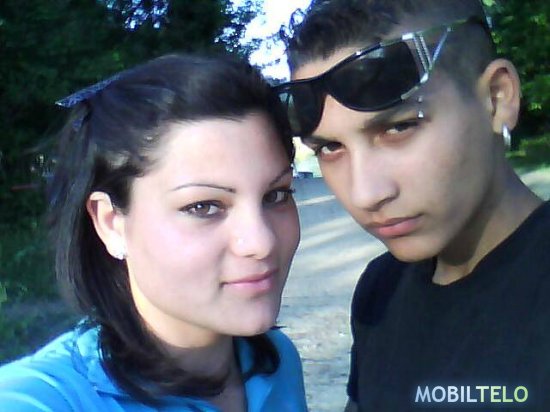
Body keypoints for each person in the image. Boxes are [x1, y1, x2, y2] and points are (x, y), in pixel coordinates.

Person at [277, 0, 550, 410]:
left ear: (496, 98)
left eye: (400, 127)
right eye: (331, 148)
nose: (366, 193)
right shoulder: (380, 289)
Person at [0, 53, 308, 412]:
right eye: (203, 207)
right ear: (111, 223)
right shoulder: (43, 400)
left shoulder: (275, 362)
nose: (261, 242)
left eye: (276, 195)